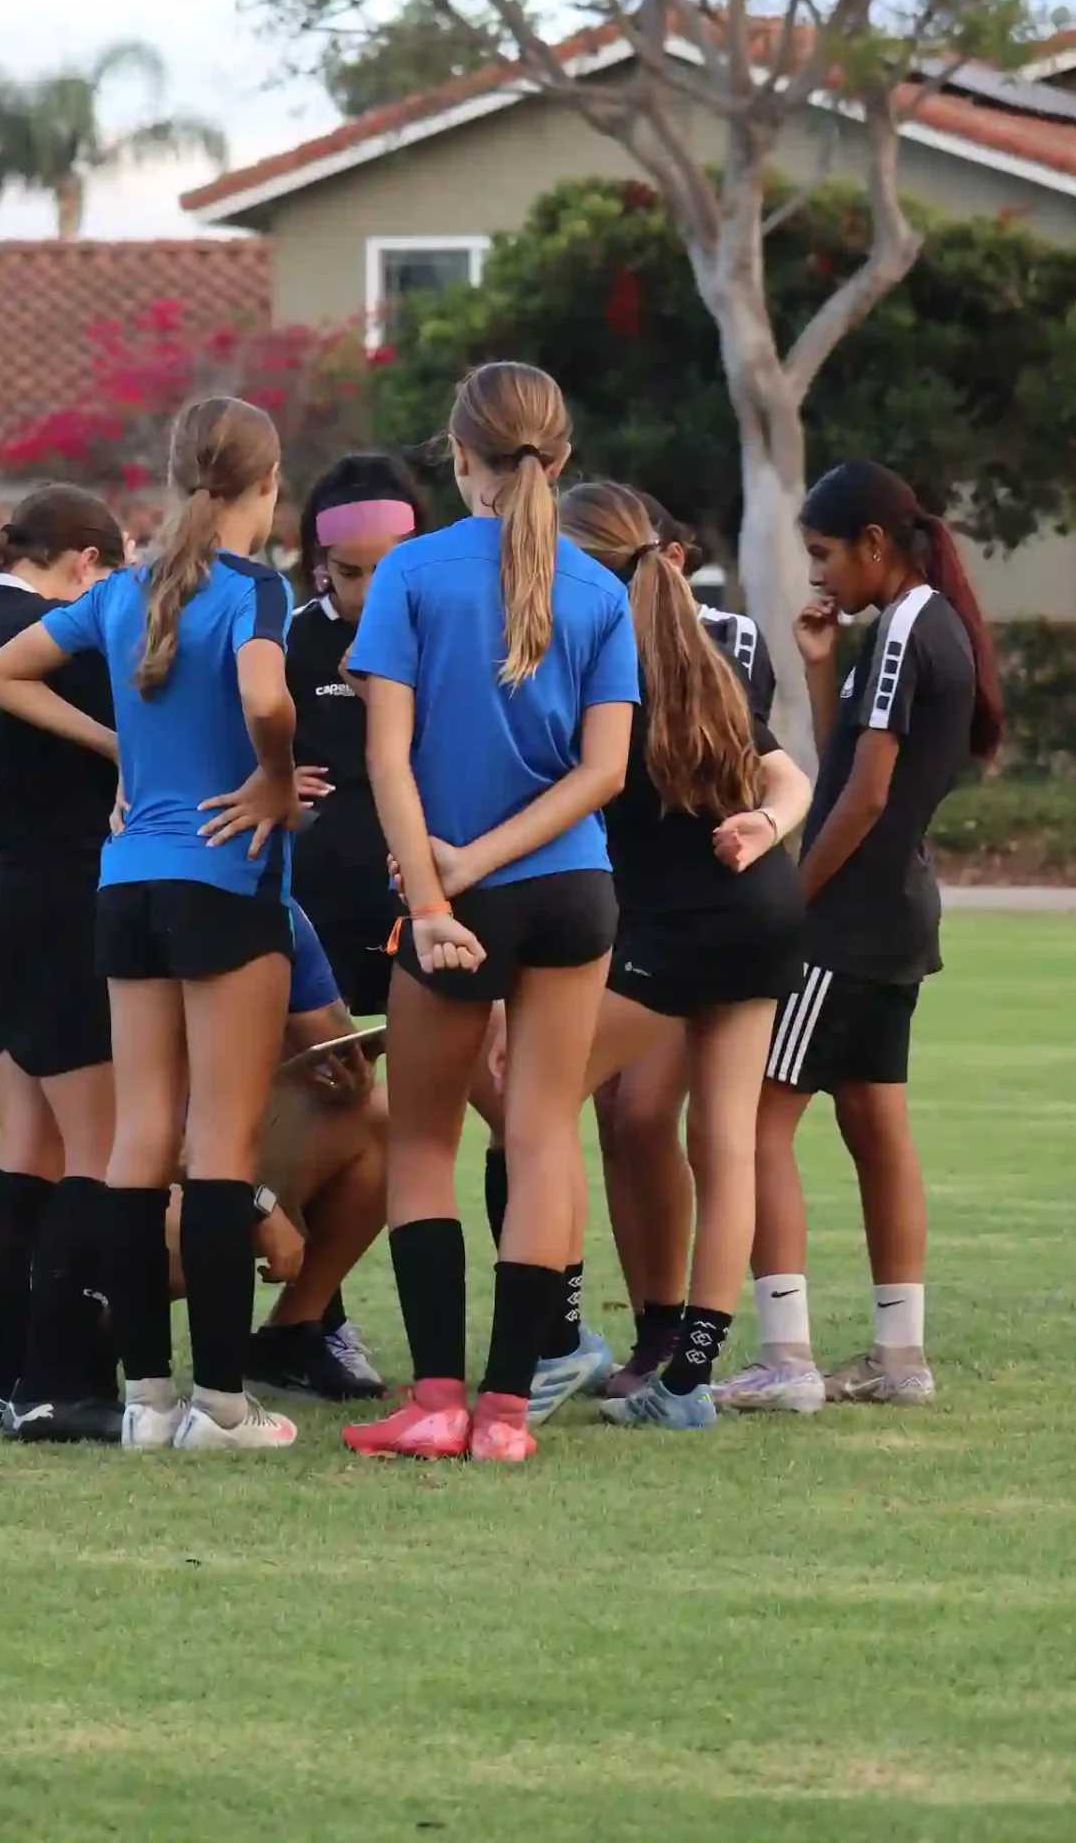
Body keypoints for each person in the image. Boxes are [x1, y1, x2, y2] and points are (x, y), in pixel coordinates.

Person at [0, 395, 301, 1453]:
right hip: (222, 879)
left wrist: (118, 751)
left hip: (125, 884)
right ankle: (220, 1404)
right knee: (218, 1140)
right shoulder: (255, 589)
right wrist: (275, 782)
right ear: (267, 481)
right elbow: (265, 698)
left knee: (136, 1138)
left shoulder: (120, 590)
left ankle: (146, 1398)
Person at [341, 361, 649, 1465]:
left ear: (457, 454)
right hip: (572, 892)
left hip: (456, 900)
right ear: (557, 461)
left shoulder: (411, 572)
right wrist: (492, 856)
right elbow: (602, 773)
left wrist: (436, 887)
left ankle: (433, 1401)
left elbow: (385, 755)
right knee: (541, 1136)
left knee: (420, 1140)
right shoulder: (601, 592)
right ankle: (507, 1416)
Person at [715, 461, 1000, 1414]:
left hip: (848, 921)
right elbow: (861, 764)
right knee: (874, 1124)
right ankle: (899, 1355)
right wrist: (818, 670)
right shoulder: (926, 627)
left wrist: (795, 896)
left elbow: (866, 794)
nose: (819, 576)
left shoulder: (907, 628)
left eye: (825, 554)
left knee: (752, 1115)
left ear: (875, 545)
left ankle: (786, 1355)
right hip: (900, 912)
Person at [532, 483, 812, 1430]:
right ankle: (687, 1385)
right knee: (723, 1144)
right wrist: (767, 826)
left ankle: (556, 1333)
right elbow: (789, 774)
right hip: (762, 914)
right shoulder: (695, 654)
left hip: (690, 932)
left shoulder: (605, 666)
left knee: (529, 1090)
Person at [0, 483, 128, 1443]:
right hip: (61, 906)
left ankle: (5, 1377)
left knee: (29, 1144)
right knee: (94, 1148)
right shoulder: (63, 642)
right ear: (88, 562)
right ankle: (64, 1380)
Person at [287, 453, 425, 1018]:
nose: (368, 592)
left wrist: (378, 691)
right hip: (323, 894)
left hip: (426, 889)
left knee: (469, 1071)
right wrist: (269, 777)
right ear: (322, 563)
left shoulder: (446, 634)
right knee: (331, 1087)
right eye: (349, 572)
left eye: (385, 571)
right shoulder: (289, 638)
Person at [242, 901, 389, 1402]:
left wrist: (342, 1074)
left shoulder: (276, 903)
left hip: (211, 1158)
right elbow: (144, 1126)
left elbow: (335, 1039)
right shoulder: (140, 896)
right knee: (176, 1222)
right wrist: (257, 1203)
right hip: (134, 1179)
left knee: (380, 1115)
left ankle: (290, 1337)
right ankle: (84, 1342)